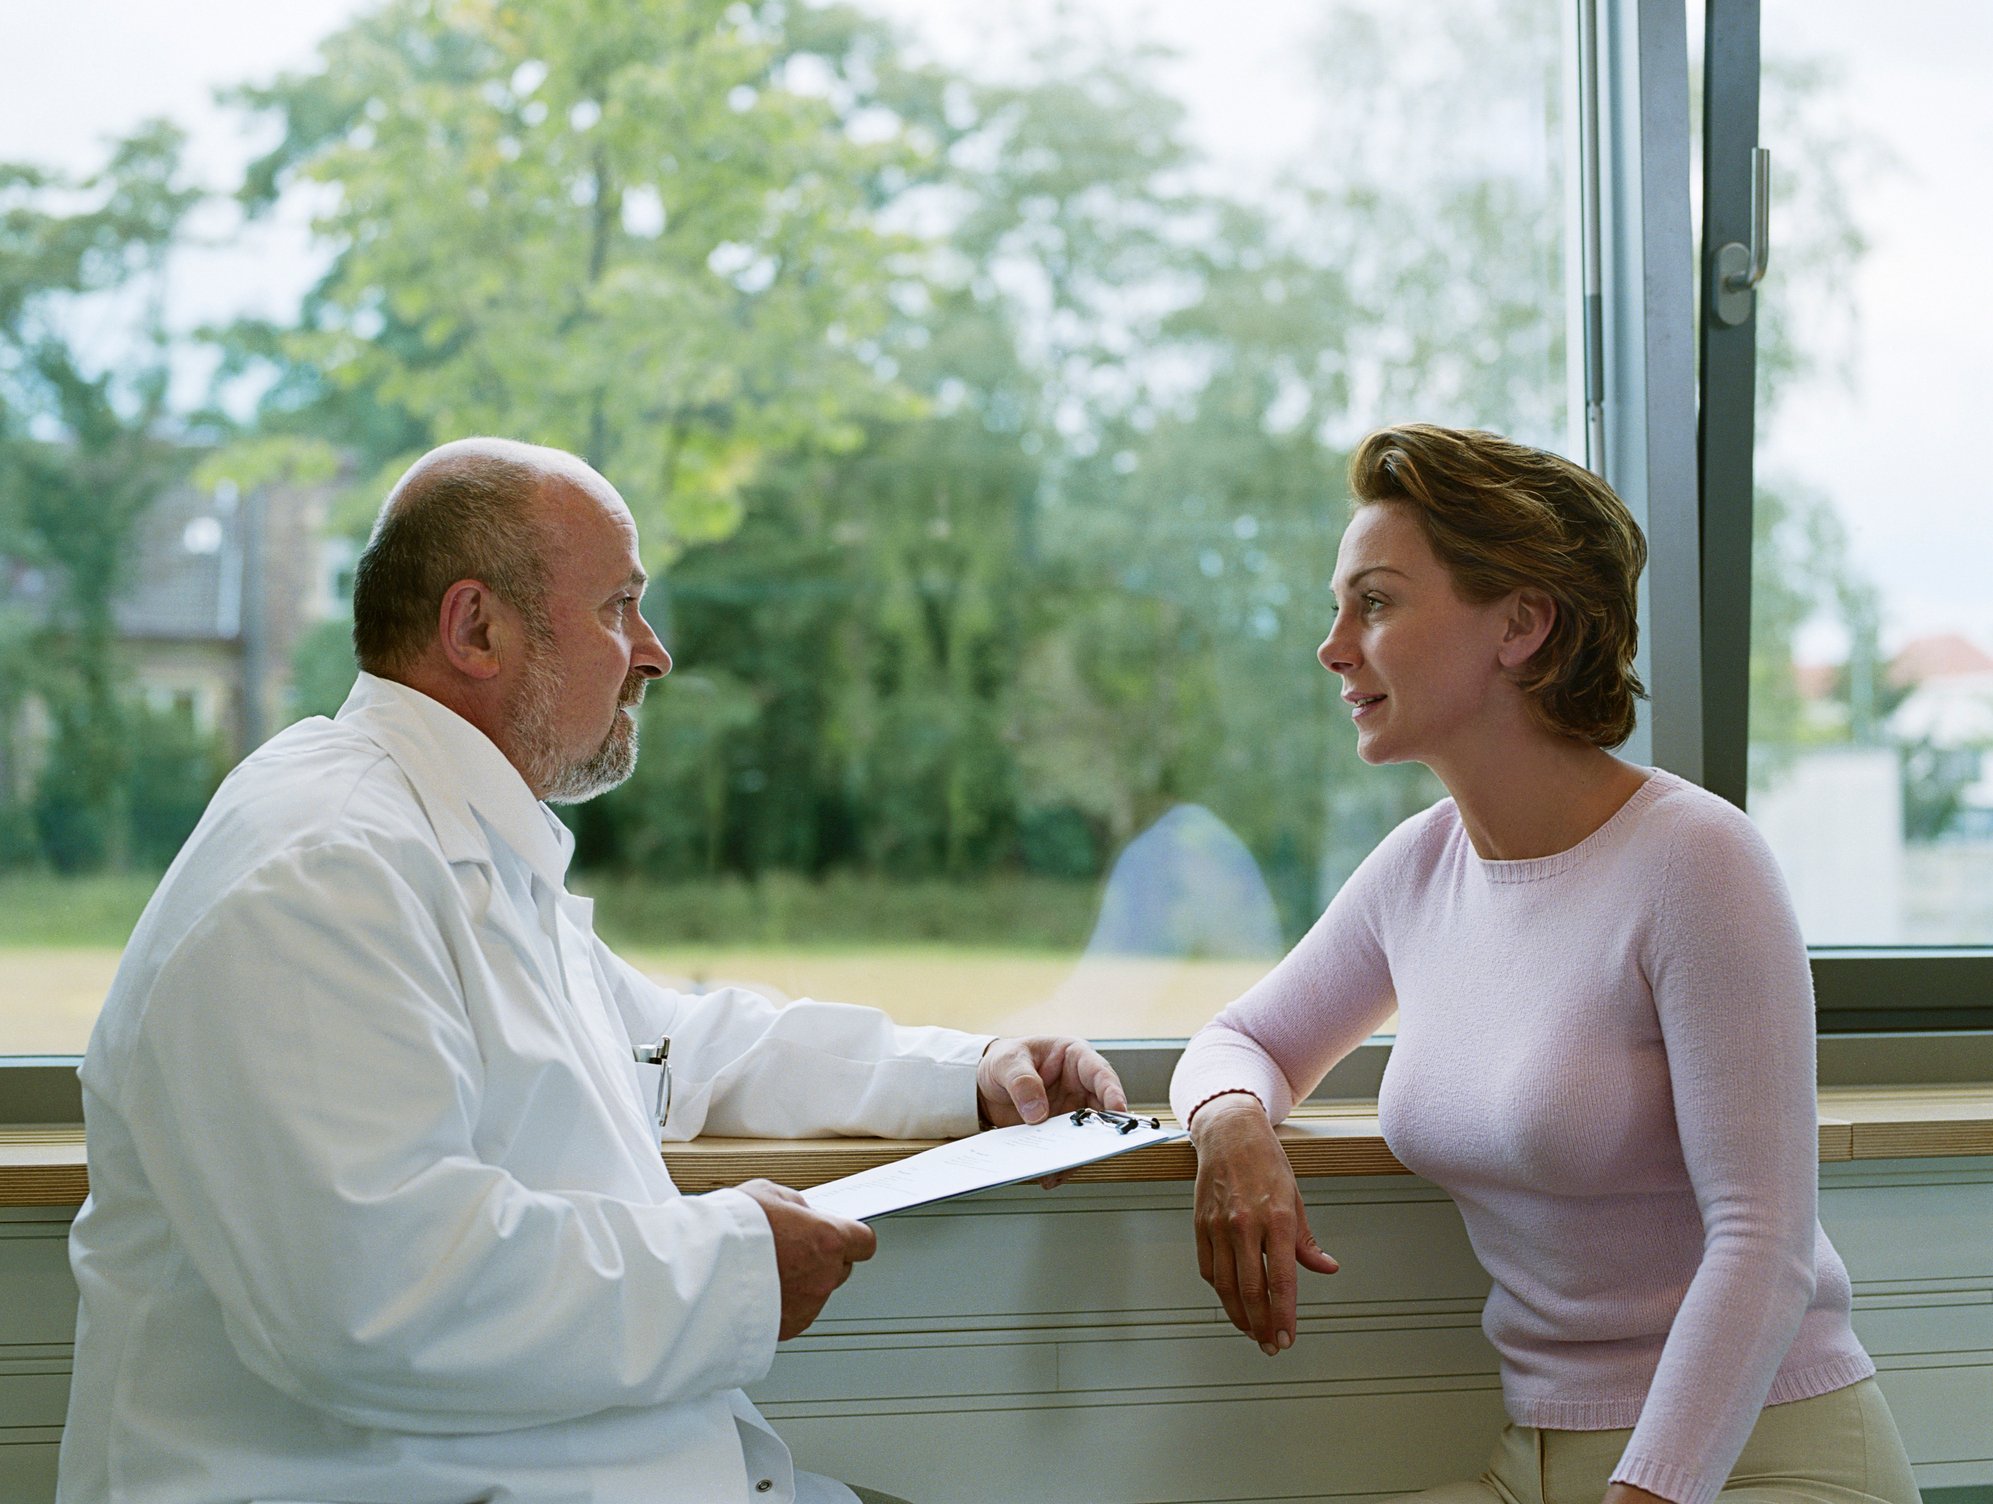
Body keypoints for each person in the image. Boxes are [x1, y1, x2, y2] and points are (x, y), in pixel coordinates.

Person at [60, 437, 1126, 1504]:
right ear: (476, 626)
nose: (652, 652)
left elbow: (676, 1043)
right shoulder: (319, 873)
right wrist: (736, 1263)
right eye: (618, 605)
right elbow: (380, 1299)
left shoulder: (451, 843)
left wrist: (967, 1074)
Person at [1170, 425, 1919, 1504]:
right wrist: (1231, 1123)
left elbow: (1764, 1245)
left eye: (1374, 603)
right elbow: (1239, 1041)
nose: (1332, 645)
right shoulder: (1418, 869)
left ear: (1521, 623)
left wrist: (1644, 1491)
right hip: (1533, 1463)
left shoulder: (1694, 860)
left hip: (1760, 1461)